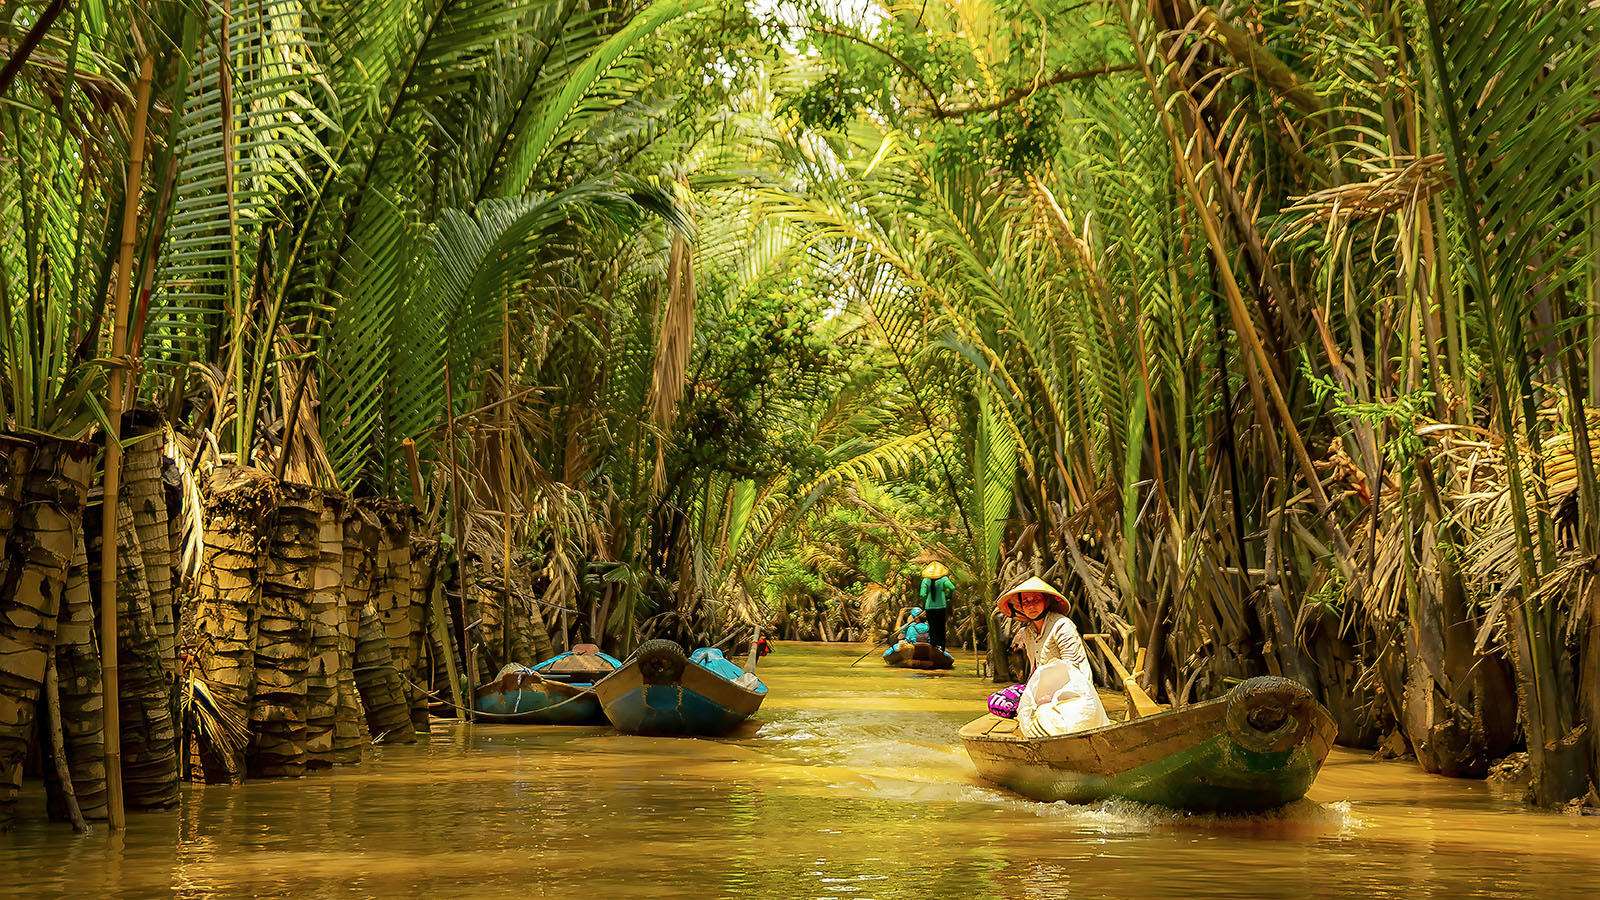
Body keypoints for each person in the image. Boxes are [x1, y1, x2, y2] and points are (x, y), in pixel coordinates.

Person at [996, 576, 1110, 738]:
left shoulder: (1062, 626)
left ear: (1046, 602)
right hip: (1045, 697)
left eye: (1036, 599)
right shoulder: (1028, 633)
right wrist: (1025, 696)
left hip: (1073, 696)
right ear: (1021, 607)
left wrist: (1043, 699)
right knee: (997, 702)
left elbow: (1074, 671)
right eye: (1026, 602)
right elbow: (1035, 672)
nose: (1031, 605)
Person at [919, 562, 954, 649]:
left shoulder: (925, 580)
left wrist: (925, 602)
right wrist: (948, 596)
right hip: (941, 606)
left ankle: (934, 646)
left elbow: (922, 594)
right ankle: (942, 647)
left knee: (932, 627)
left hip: (929, 607)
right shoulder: (943, 579)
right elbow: (952, 587)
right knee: (941, 627)